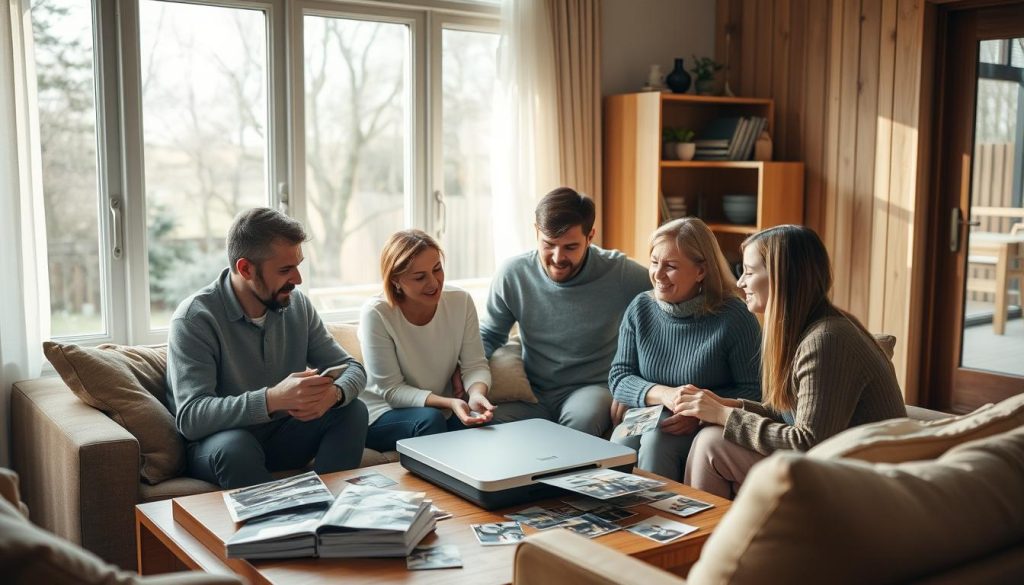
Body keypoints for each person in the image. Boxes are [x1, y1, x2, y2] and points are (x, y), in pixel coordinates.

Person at [680, 225, 907, 498]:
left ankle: (703, 538)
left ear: (781, 278)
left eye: (749, 272)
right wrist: (730, 406)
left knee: (712, 445)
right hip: (835, 466)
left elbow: (808, 443)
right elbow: (788, 415)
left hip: (862, 483)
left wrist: (722, 416)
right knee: (713, 438)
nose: (740, 283)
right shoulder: (807, 331)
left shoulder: (827, 340)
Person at [167, 208, 369, 489]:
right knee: (235, 447)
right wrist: (272, 399)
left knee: (352, 411)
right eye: (285, 270)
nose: (297, 279)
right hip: (220, 444)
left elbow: (353, 369)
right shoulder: (194, 318)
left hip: (283, 437)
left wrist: (334, 395)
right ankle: (282, 525)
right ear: (245, 269)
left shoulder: (297, 305)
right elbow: (192, 416)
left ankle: (335, 513)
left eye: (298, 265)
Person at [480, 187, 652, 436]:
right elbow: (490, 335)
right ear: (536, 231)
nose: (558, 258)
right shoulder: (513, 274)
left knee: (584, 419)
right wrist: (465, 375)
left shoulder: (621, 274)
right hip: (532, 393)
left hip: (591, 389)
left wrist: (633, 386)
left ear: (590, 236)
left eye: (571, 247)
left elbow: (666, 315)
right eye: (549, 244)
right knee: (484, 423)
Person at [609, 218, 761, 481]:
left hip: (703, 423)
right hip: (648, 414)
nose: (657, 274)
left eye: (671, 266)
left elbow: (754, 391)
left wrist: (702, 413)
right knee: (619, 444)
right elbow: (620, 377)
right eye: (655, 262)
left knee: (658, 443)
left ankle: (660, 521)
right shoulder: (640, 308)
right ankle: (613, 520)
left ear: (701, 271)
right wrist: (665, 395)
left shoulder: (735, 316)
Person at [359, 230, 494, 452]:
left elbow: (475, 365)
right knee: (430, 421)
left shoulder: (460, 301)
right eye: (420, 277)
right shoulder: (376, 313)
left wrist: (477, 394)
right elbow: (392, 391)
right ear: (396, 281)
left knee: (486, 426)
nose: (434, 282)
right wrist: (449, 402)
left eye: (437, 269)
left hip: (439, 409)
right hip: (382, 412)